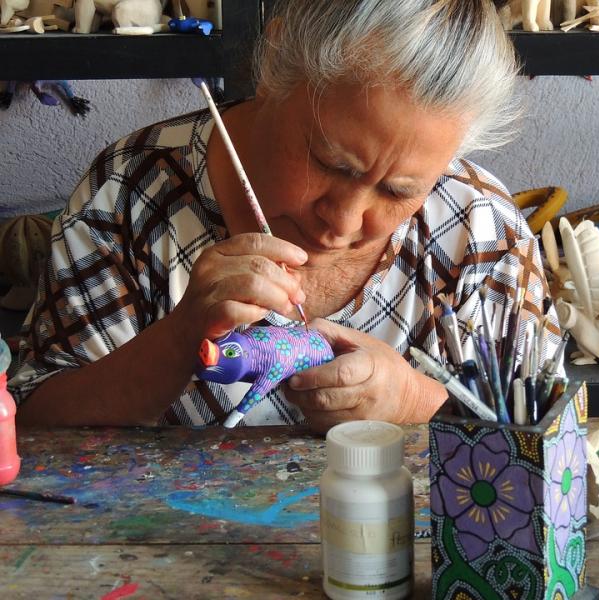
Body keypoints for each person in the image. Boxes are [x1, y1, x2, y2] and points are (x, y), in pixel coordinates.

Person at [10, 0, 559, 429]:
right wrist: (178, 342)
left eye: (397, 191)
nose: (343, 221)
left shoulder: (481, 230)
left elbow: (553, 445)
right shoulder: (131, 192)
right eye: (331, 163)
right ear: (275, 69)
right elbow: (33, 419)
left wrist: (416, 401)